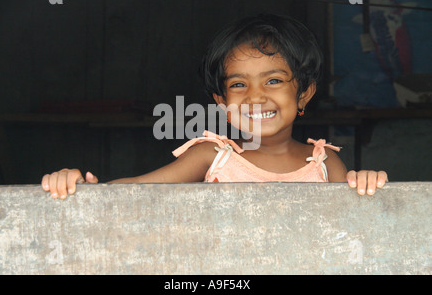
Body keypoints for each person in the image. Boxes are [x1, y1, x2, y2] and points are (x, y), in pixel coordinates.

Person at [41, 14, 388, 199]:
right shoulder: (213, 155)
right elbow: (138, 189)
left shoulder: (324, 162)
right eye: (238, 85)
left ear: (305, 94)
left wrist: (367, 183)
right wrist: (83, 189)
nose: (254, 96)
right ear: (222, 103)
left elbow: (359, 212)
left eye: (273, 80)